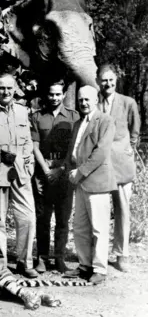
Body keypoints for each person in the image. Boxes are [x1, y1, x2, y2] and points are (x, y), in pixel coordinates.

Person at [0, 74, 38, 278]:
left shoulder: (23, 111)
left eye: (9, 88)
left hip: (20, 170)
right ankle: (0, 263)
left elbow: (28, 142)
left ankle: (25, 262)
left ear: (15, 89)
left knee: (27, 217)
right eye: (1, 88)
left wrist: (29, 163)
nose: (5, 92)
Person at [63, 85, 116, 284]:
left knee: (99, 229)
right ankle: (84, 265)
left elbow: (101, 153)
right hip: (80, 183)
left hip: (97, 182)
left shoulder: (105, 121)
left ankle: (100, 270)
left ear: (95, 100)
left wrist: (81, 171)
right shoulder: (78, 123)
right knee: (80, 227)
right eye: (80, 100)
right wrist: (69, 170)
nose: (83, 103)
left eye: (87, 99)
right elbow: (74, 150)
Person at [30, 80, 79, 273]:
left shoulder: (74, 117)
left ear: (64, 94)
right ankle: (42, 258)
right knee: (42, 218)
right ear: (47, 94)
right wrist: (45, 170)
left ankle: (59, 258)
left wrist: (60, 169)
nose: (54, 98)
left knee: (62, 218)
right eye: (51, 94)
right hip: (43, 172)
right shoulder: (37, 116)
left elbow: (74, 146)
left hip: (64, 172)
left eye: (58, 94)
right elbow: (34, 145)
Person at [97, 64, 141, 272]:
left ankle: (122, 254)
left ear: (116, 80)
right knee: (100, 210)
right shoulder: (94, 102)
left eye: (111, 79)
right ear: (98, 81)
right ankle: (99, 254)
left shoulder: (127, 102)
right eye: (104, 80)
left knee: (122, 209)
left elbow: (135, 129)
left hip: (122, 164)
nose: (108, 83)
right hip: (100, 165)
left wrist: (129, 147)